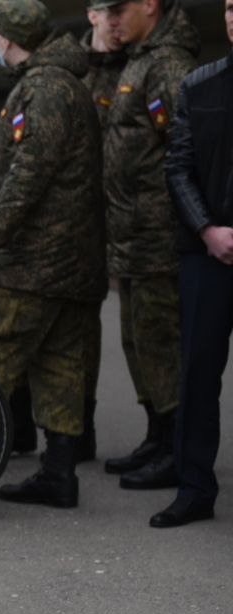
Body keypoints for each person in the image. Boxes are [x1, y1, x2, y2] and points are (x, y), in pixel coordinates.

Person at [0, 0, 104, 509]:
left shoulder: (47, 88)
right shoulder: (51, 83)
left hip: (37, 261)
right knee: (59, 364)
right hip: (71, 262)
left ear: (8, 39)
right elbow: (3, 179)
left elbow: (26, 179)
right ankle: (58, 471)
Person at [93, 0, 199, 490]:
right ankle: (159, 436)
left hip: (159, 236)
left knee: (161, 343)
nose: (111, 19)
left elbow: (188, 149)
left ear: (150, 6)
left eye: (119, 9)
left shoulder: (169, 64)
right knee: (137, 341)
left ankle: (180, 448)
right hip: (132, 234)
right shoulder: (137, 57)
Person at [151, 0, 233, 528]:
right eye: (229, 8)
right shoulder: (200, 85)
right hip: (208, 256)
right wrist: (208, 228)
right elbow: (178, 166)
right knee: (199, 375)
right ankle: (195, 488)